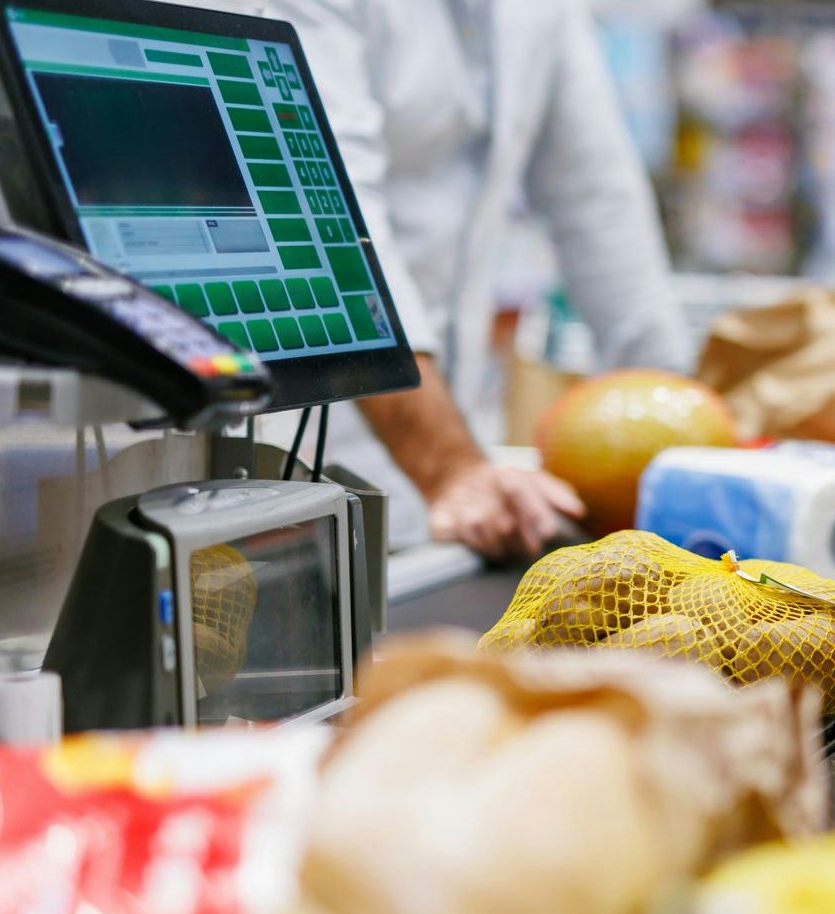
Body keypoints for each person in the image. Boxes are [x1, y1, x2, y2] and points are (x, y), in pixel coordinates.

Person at [203, 0, 693, 559]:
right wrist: (449, 465)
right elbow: (325, 212)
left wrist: (681, 443)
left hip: (452, 452)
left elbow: (600, 203)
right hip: (309, 448)